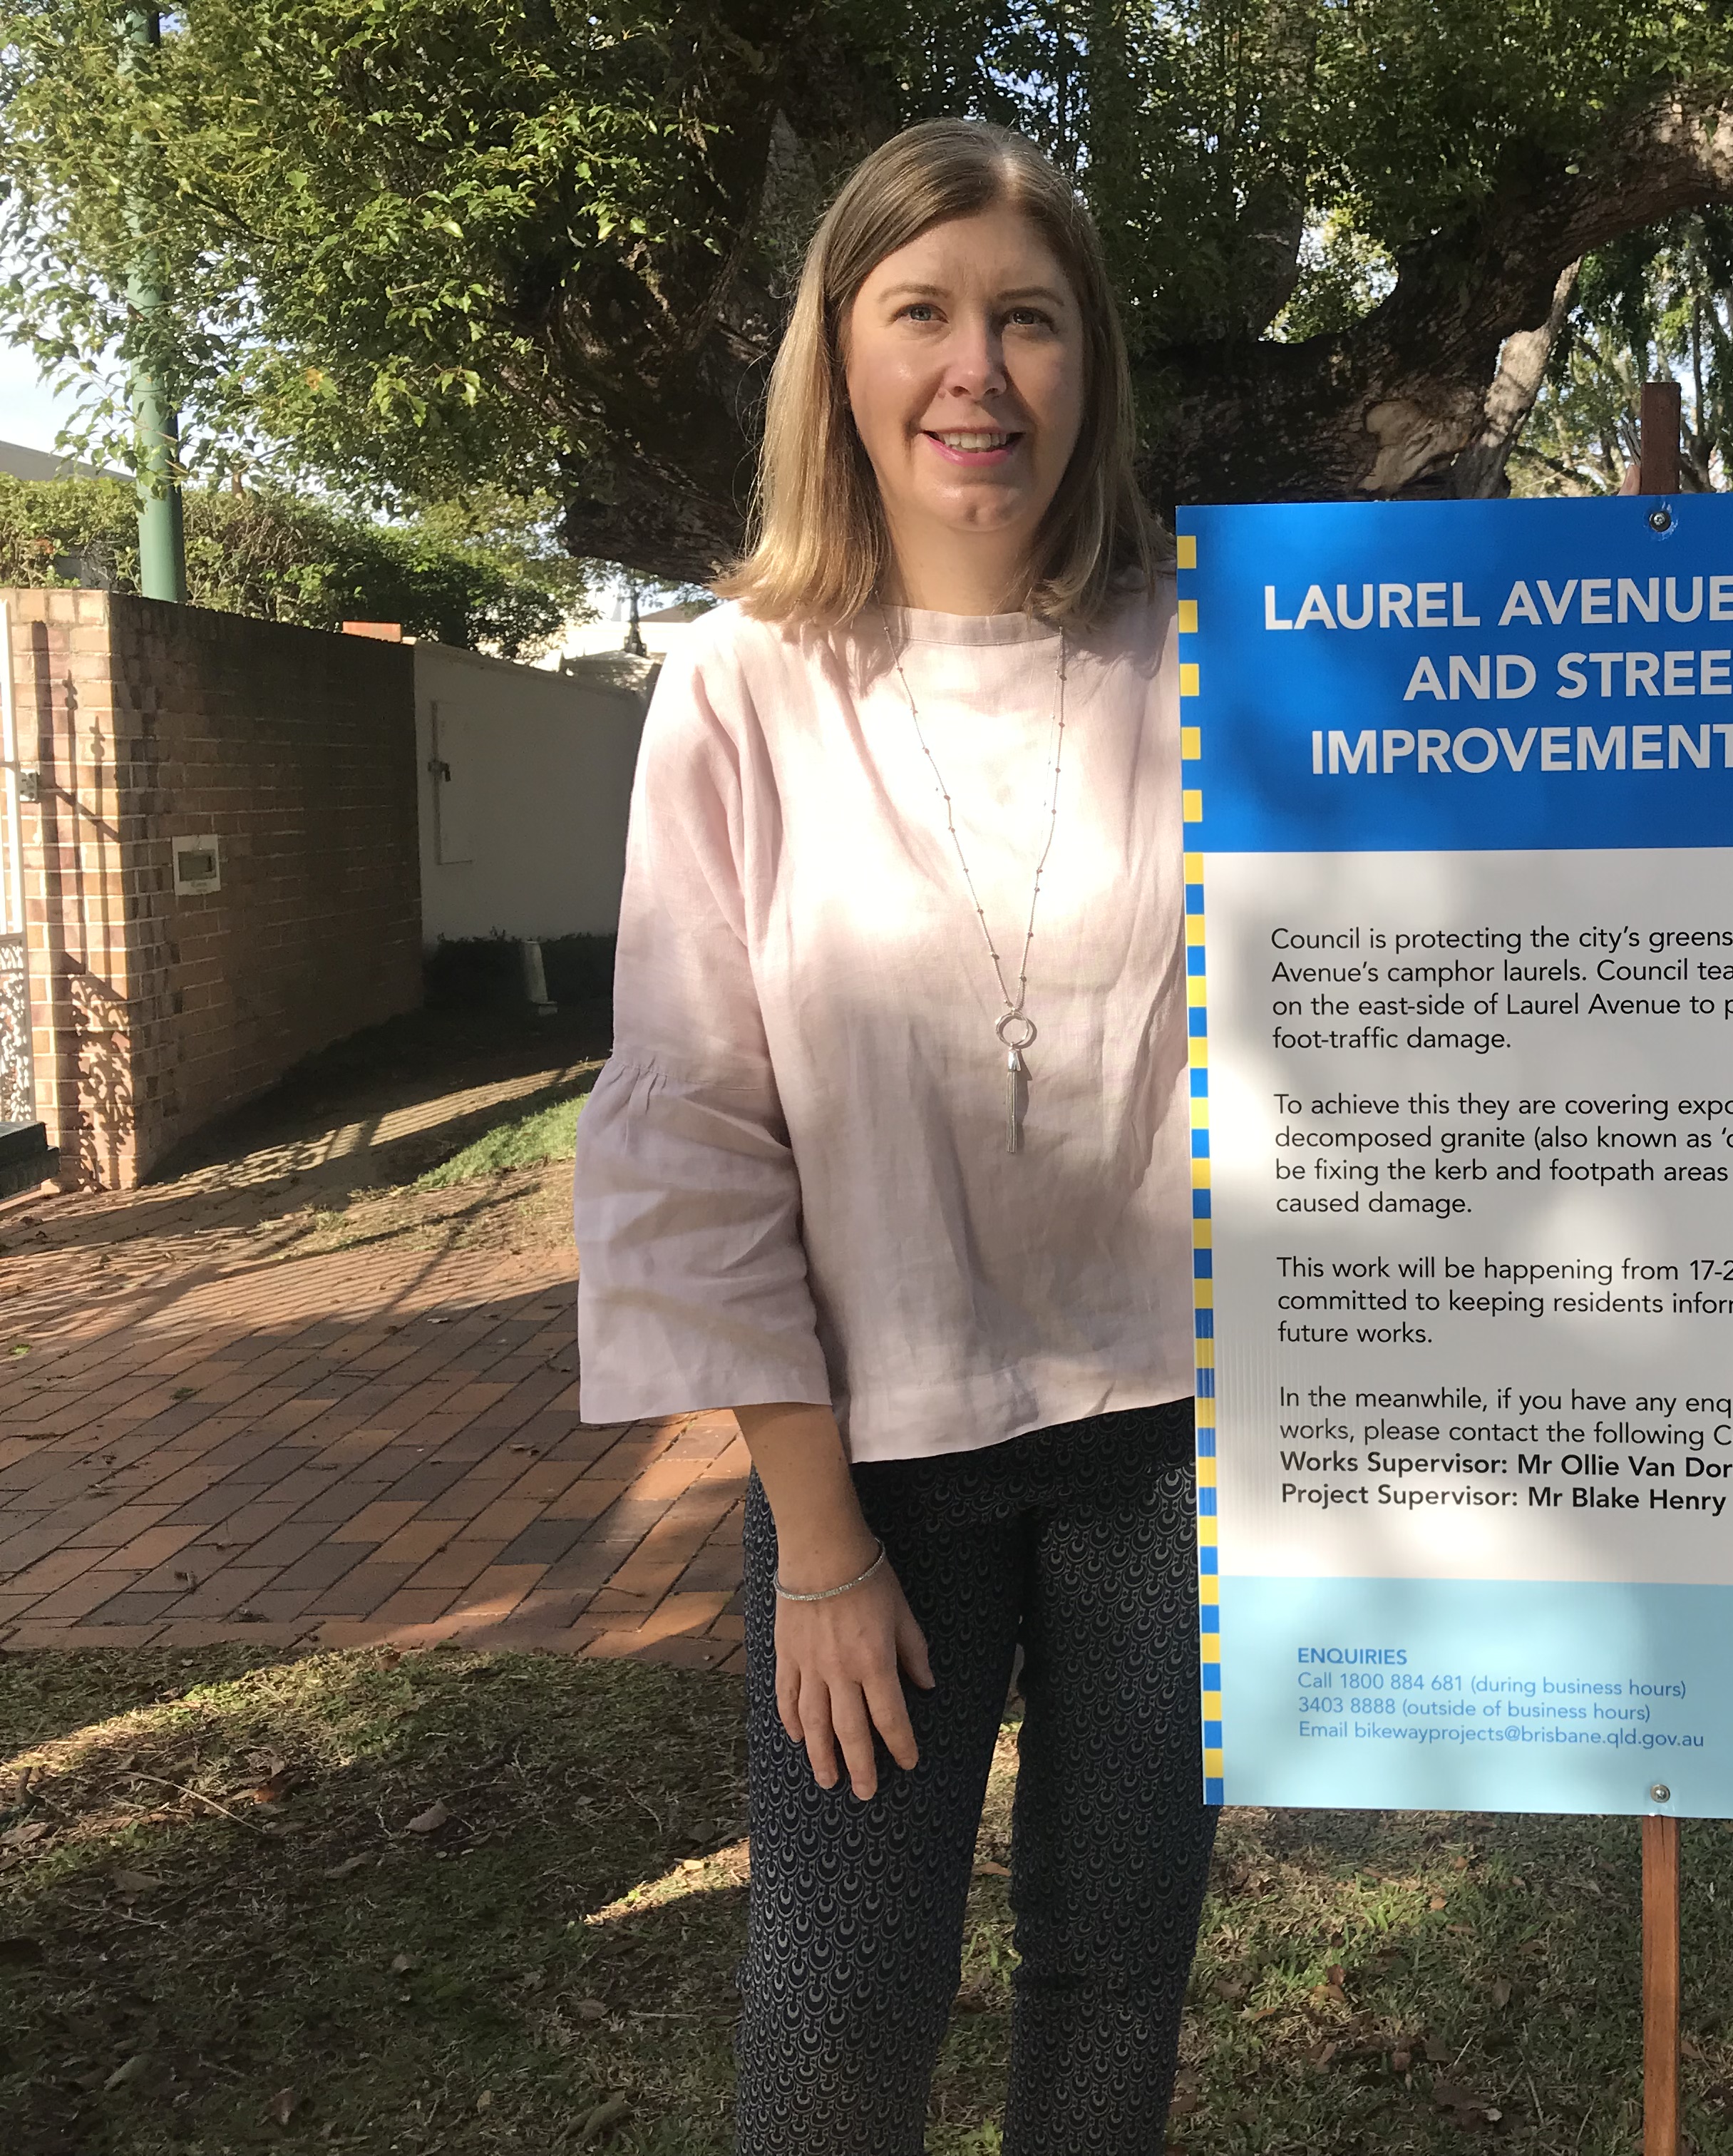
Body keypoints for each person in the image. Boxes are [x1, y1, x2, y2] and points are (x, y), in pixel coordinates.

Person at [572, 118, 1206, 2156]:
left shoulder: (1201, 663)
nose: (977, 369)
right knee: (845, 2007)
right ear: (837, 357)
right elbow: (697, 1126)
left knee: (1117, 1978)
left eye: (1028, 318)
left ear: (1087, 362)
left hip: (1166, 1463)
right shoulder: (741, 688)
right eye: (921, 312)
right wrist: (817, 1552)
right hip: (873, 1473)